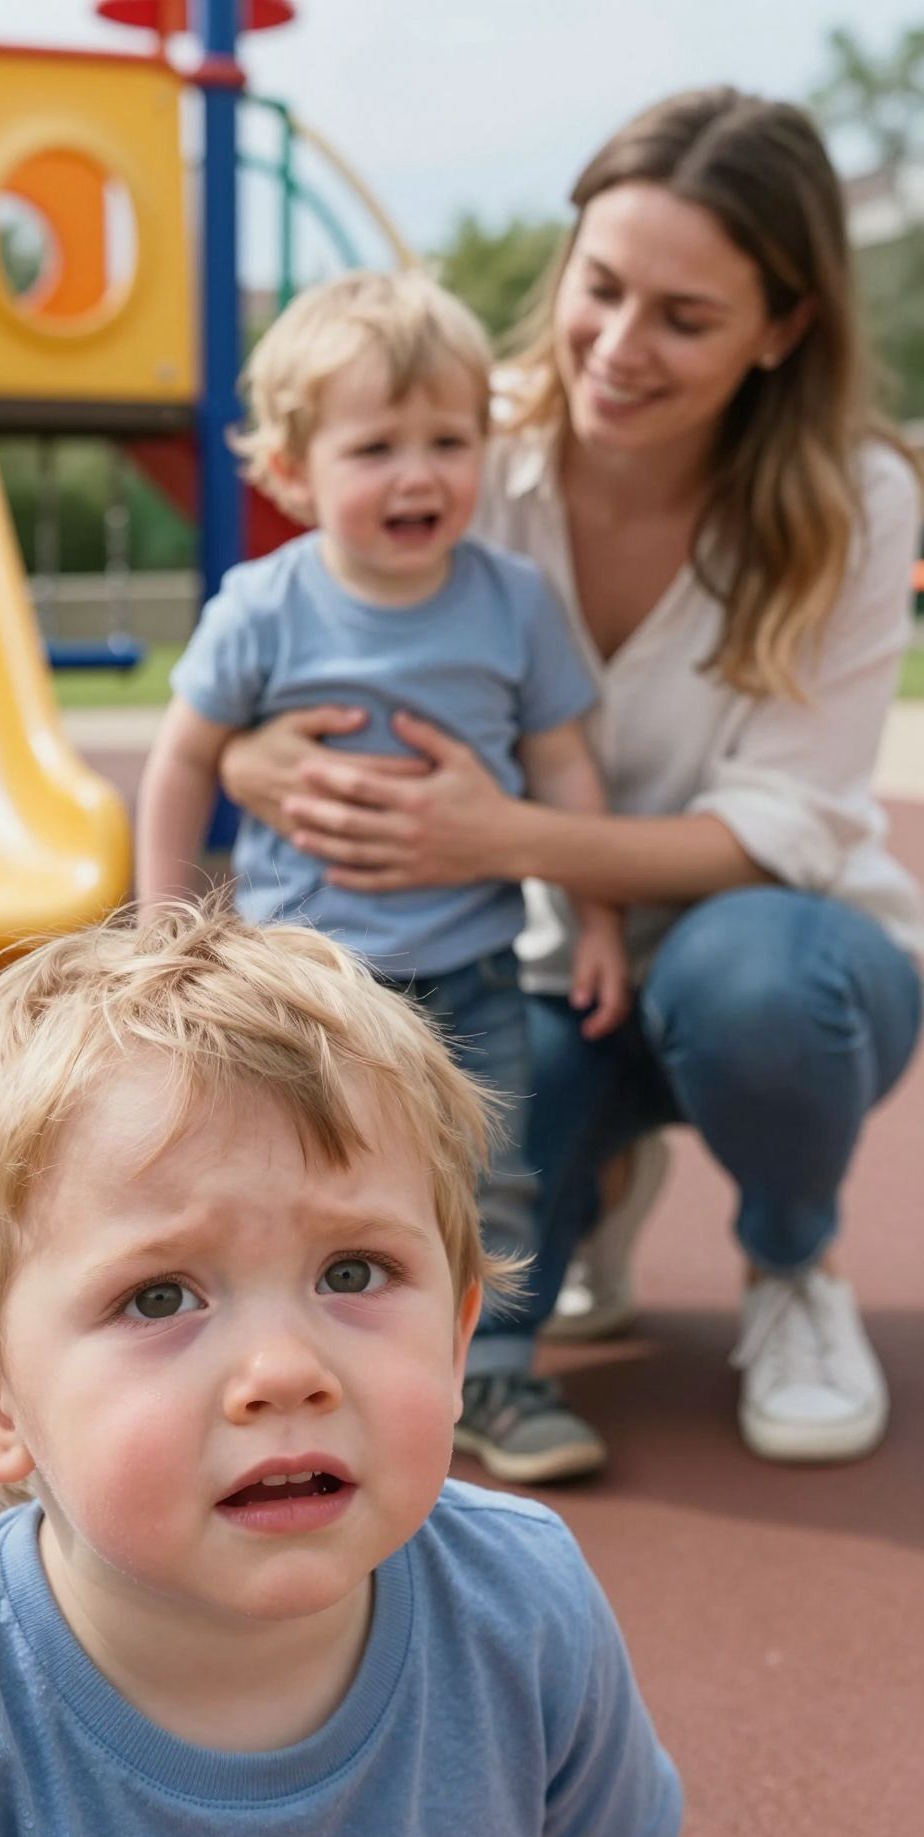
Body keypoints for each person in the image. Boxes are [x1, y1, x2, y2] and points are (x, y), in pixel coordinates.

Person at [0, 902, 682, 1837]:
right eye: (160, 1296)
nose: (286, 1371)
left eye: (355, 1268)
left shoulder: (525, 1607)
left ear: (457, 1345)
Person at [220, 87, 924, 1472]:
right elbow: (299, 626)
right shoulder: (470, 450)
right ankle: (586, 1180)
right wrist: (247, 752)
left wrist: (500, 831)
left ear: (782, 329)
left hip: (788, 963)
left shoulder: (855, 500)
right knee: (444, 1101)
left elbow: (787, 825)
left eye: (686, 316)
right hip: (532, 974)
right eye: (600, 287)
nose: (616, 345)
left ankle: (791, 1265)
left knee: (753, 979)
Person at [136, 269, 629, 1482]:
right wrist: (157, 935)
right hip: (305, 985)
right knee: (300, 1180)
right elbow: (181, 760)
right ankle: (304, 1372)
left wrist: (599, 913)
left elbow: (566, 770)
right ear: (294, 474)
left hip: (470, 968)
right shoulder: (266, 604)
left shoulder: (511, 603)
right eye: (376, 448)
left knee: (493, 1171)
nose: (419, 474)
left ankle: (495, 1380)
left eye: (448, 441)